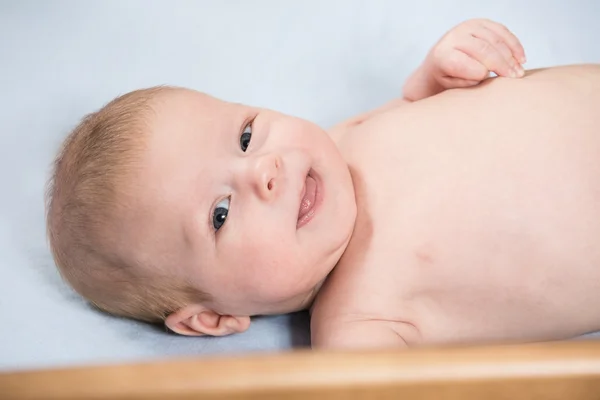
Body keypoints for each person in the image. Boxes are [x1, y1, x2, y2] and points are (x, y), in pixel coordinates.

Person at [46, 18, 600, 349]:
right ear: (211, 317)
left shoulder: (340, 140)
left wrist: (446, 69)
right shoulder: (356, 321)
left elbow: (419, 105)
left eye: (245, 135)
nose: (263, 170)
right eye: (220, 213)